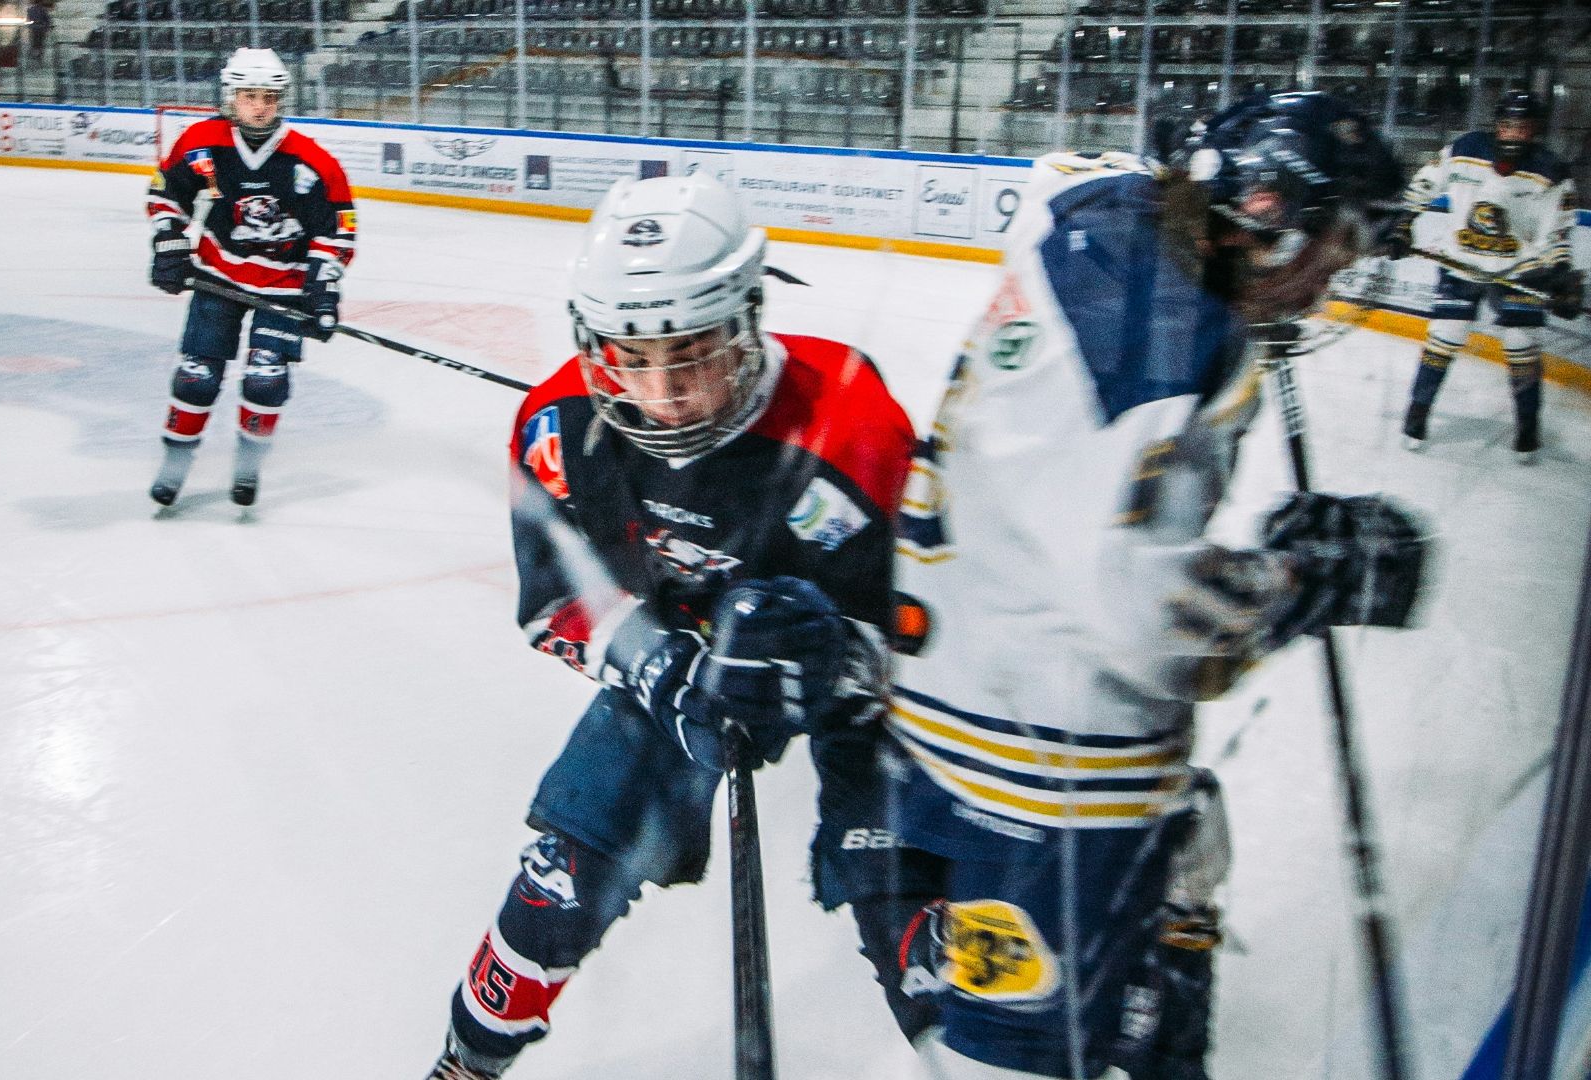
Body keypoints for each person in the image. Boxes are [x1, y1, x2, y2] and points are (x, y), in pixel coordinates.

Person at [817, 92, 1432, 1080]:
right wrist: (1306, 581)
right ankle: (1158, 968)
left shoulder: (1115, 224)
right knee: (1017, 1058)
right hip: (1042, 765)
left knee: (1167, 855)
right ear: (1271, 224)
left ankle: (1161, 947)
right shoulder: (1168, 333)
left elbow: (1066, 177)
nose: (1331, 285)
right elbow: (1142, 618)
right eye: (1337, 248)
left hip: (960, 675)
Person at [423, 171, 914, 1079]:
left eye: (691, 353)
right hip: (680, 651)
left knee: (911, 893)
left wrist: (839, 658)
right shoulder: (556, 427)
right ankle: (469, 1057)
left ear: (749, 317)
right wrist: (667, 671)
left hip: (829, 660)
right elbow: (556, 607)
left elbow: (925, 633)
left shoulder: (851, 421)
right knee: (564, 873)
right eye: (630, 357)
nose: (663, 394)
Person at [144, 46, 356, 507]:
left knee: (265, 378)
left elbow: (337, 229)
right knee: (196, 376)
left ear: (281, 99)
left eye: (268, 96)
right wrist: (169, 245)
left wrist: (323, 291)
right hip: (219, 275)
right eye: (248, 95)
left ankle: (247, 469)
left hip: (284, 285)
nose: (259, 105)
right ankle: (174, 465)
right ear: (230, 97)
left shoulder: (310, 162)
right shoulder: (202, 142)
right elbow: (167, 195)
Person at [1388, 88, 1582, 459]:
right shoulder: (1465, 149)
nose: (1514, 134)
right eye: (1508, 126)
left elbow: (1557, 232)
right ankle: (1417, 413)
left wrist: (1557, 271)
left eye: (1523, 128)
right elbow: (1426, 182)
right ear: (1497, 126)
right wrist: (1404, 223)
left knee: (1521, 346)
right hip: (1460, 262)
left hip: (1519, 269)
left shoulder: (1549, 171)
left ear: (1534, 130)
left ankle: (1528, 427)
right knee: (1444, 337)